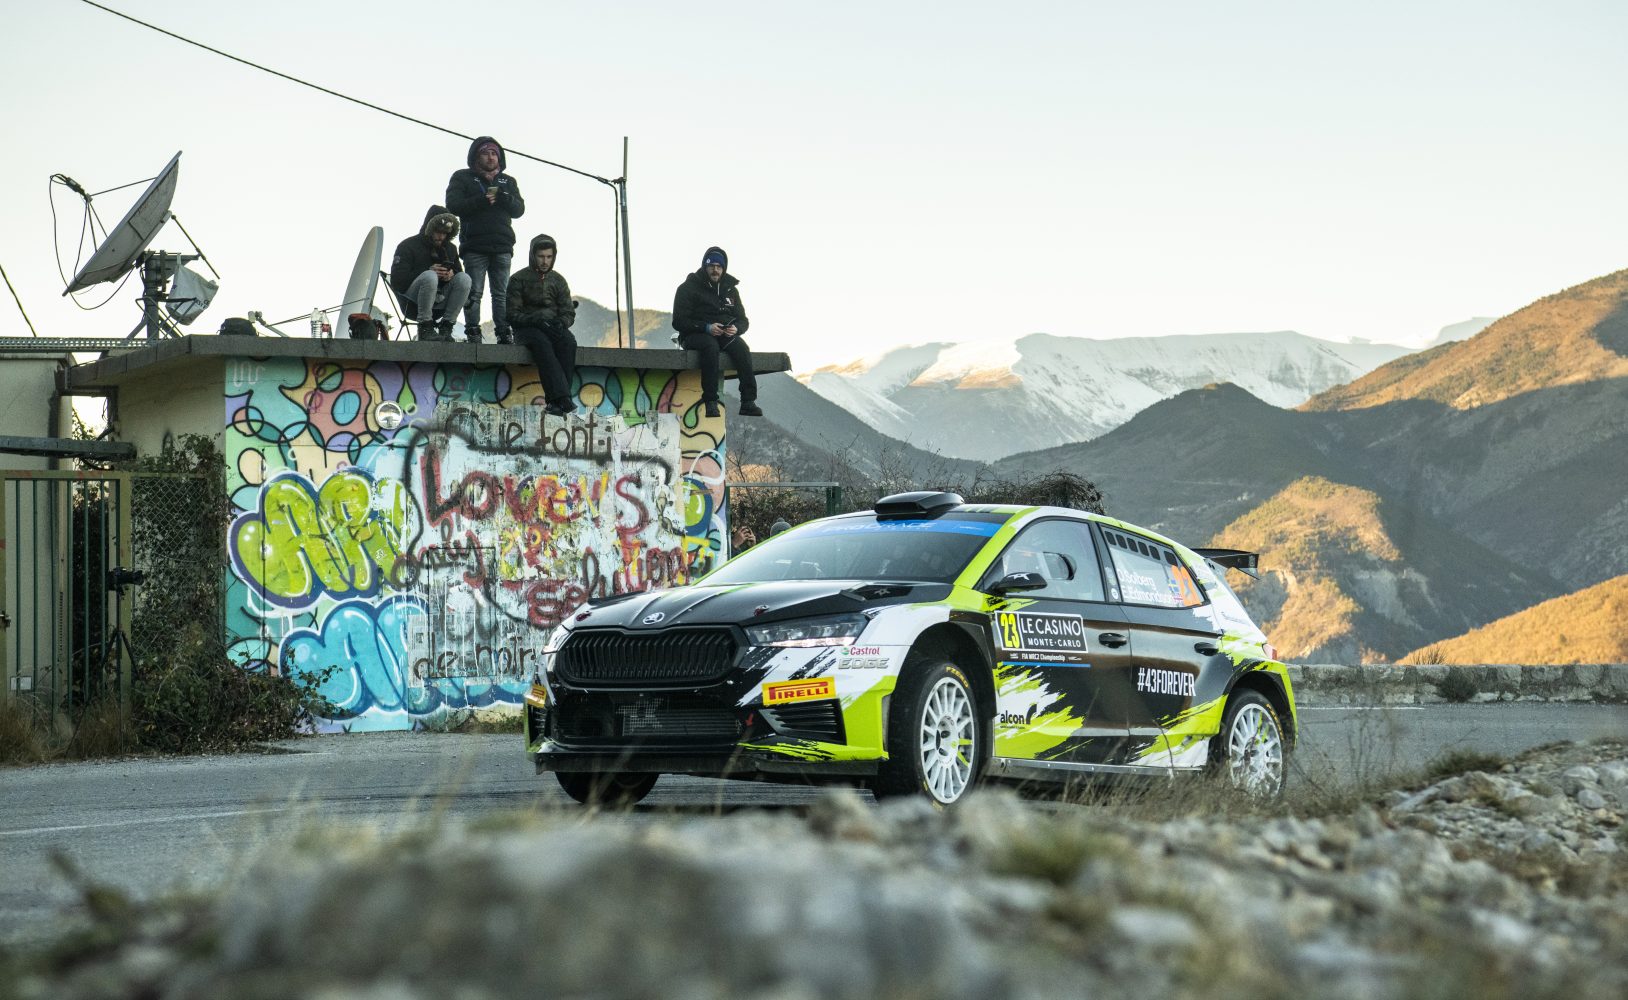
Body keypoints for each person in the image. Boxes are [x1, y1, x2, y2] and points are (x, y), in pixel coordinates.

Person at [446, 136, 525, 344]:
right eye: (485, 153)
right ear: (475, 156)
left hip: (503, 245)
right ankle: (472, 331)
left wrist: (504, 198)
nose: (490, 157)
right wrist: (481, 200)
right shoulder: (462, 177)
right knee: (474, 292)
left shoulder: (508, 181)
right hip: (474, 245)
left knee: (501, 293)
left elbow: (519, 209)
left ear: (499, 158)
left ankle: (504, 332)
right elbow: (453, 205)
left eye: (494, 154)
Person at [672, 246, 761, 418]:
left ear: (724, 268)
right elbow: (679, 321)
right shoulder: (688, 288)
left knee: (742, 348)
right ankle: (711, 403)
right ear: (704, 266)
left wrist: (737, 328)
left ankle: (748, 402)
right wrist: (706, 327)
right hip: (694, 334)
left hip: (724, 334)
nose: (715, 270)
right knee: (710, 347)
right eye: (711, 266)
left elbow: (743, 320)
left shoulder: (730, 289)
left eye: (719, 266)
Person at [508, 234, 577, 415]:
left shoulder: (558, 280)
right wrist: (536, 321)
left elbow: (568, 312)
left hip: (553, 326)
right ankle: (563, 398)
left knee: (569, 342)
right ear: (533, 255)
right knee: (542, 343)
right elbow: (512, 314)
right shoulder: (517, 279)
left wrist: (561, 323)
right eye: (541, 256)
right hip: (526, 330)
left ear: (554, 257)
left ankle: (558, 402)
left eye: (549, 256)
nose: (545, 261)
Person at [389, 206, 471, 342]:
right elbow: (397, 281)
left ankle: (447, 326)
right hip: (411, 303)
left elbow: (459, 275)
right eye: (438, 232)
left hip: (439, 302)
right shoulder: (407, 245)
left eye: (445, 233)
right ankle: (425, 327)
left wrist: (451, 274)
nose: (441, 236)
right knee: (430, 276)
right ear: (429, 228)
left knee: (464, 278)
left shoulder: (450, 248)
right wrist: (428, 270)